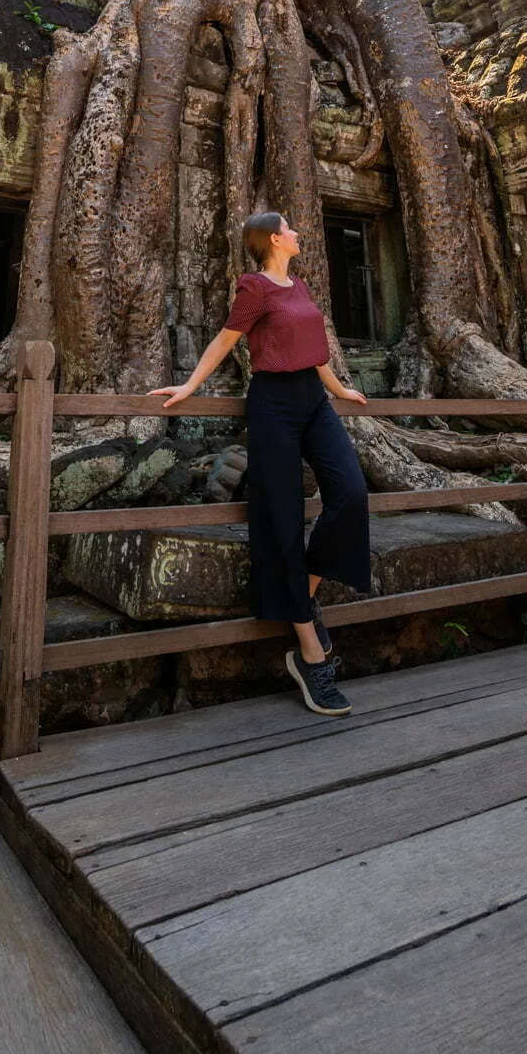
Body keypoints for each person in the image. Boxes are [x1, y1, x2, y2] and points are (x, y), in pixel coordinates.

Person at [151, 211, 371, 717]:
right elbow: (226, 341)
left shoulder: (299, 284)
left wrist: (339, 389)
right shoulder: (255, 288)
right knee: (282, 519)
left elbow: (314, 352)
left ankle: (304, 595)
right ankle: (309, 654)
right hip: (272, 404)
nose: (299, 233)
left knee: (351, 496)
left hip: (314, 401)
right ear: (275, 239)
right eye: (291, 228)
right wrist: (188, 387)